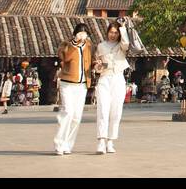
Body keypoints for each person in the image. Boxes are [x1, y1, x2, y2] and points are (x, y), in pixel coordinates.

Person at [54, 22, 95, 155]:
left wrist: (97, 64)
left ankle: (68, 144)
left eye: (85, 33)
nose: (83, 35)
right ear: (75, 33)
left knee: (77, 116)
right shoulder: (66, 44)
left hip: (82, 85)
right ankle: (59, 143)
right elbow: (64, 57)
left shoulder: (89, 45)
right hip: (67, 83)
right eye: (80, 32)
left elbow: (91, 60)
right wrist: (74, 42)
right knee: (68, 112)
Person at [94, 19, 131, 154]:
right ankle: (101, 141)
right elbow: (97, 66)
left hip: (118, 79)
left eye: (116, 32)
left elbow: (126, 44)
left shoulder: (122, 45)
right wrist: (98, 66)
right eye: (111, 32)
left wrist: (123, 28)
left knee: (116, 112)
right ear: (107, 32)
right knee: (103, 110)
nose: (113, 35)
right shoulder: (100, 46)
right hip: (104, 78)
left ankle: (110, 141)